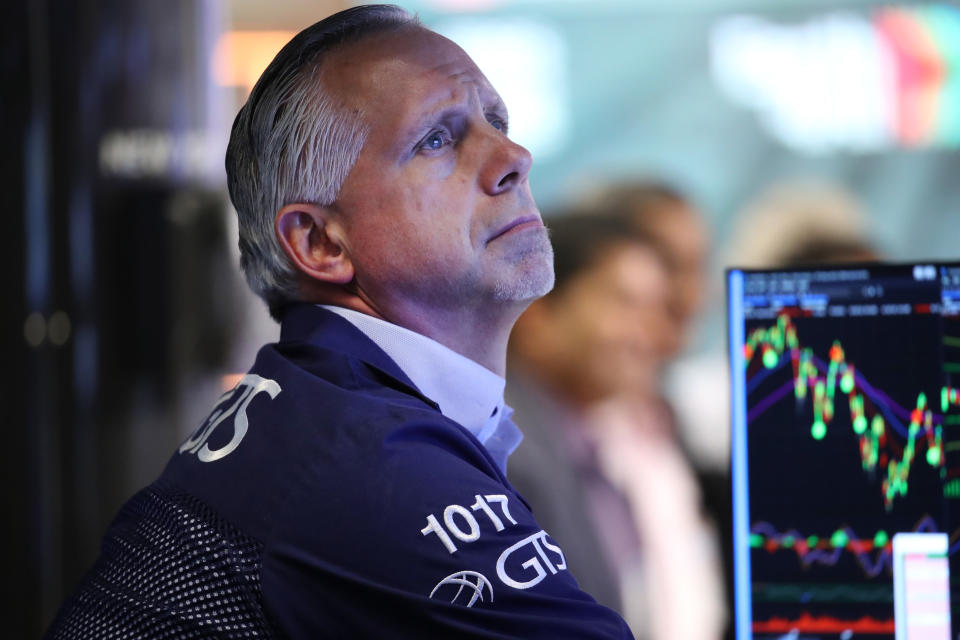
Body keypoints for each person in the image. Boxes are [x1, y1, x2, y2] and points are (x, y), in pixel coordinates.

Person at [45, 5, 633, 639]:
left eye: (497, 121)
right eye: (437, 139)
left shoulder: (325, 408)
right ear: (321, 243)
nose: (514, 157)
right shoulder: (370, 455)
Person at [507, 211, 725, 640]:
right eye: (624, 303)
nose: (648, 334)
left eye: (653, 309)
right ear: (538, 311)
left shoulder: (609, 442)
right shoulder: (506, 452)